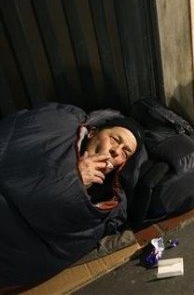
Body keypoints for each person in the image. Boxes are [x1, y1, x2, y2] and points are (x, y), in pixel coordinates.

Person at [0, 103, 144, 287]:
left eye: (125, 152)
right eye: (115, 139)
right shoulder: (60, 128)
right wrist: (74, 175)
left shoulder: (108, 197)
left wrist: (74, 186)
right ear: (92, 132)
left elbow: (65, 229)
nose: (117, 150)